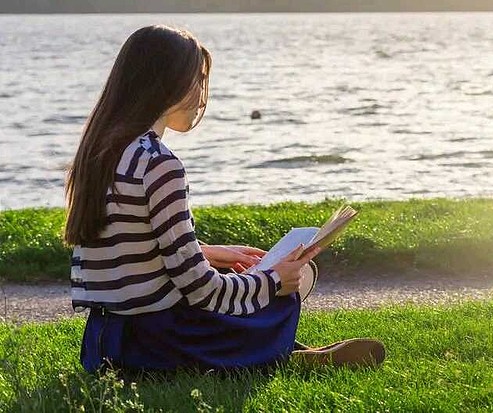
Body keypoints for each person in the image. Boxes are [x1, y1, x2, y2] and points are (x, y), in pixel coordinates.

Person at [63, 25, 385, 377]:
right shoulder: (159, 164)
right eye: (197, 80)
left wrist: (208, 251)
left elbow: (123, 248)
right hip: (160, 345)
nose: (202, 95)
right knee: (300, 276)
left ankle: (284, 353)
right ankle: (272, 355)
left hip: (106, 342)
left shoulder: (99, 153)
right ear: (165, 82)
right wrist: (276, 281)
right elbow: (202, 290)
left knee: (254, 275)